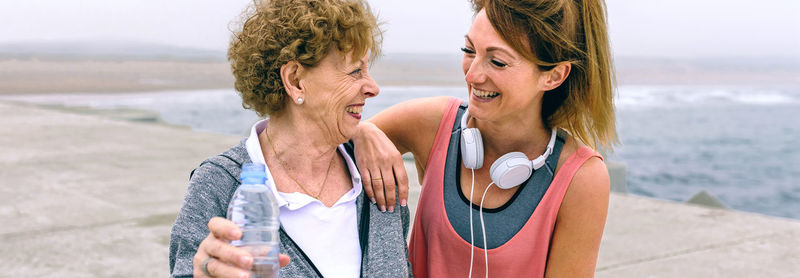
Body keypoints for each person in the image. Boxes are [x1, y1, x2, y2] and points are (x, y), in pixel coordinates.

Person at [353, 0, 616, 277]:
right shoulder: (430, 123)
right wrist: (362, 132)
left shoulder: (580, 178)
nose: (472, 74)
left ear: (553, 76)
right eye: (469, 50)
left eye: (498, 62)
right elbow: (319, 146)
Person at [168, 0, 412, 277]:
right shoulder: (219, 184)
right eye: (355, 71)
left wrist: (368, 131)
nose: (373, 88)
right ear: (295, 80)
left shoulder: (377, 178)